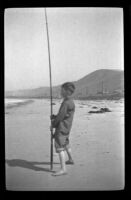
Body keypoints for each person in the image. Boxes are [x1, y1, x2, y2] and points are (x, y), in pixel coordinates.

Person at [51, 82, 75, 176]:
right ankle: (70, 159)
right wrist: (55, 116)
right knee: (65, 143)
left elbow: (60, 117)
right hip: (67, 127)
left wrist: (53, 124)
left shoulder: (66, 103)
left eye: (62, 90)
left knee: (59, 147)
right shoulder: (71, 101)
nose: (60, 91)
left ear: (66, 91)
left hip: (62, 128)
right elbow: (64, 115)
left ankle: (63, 169)